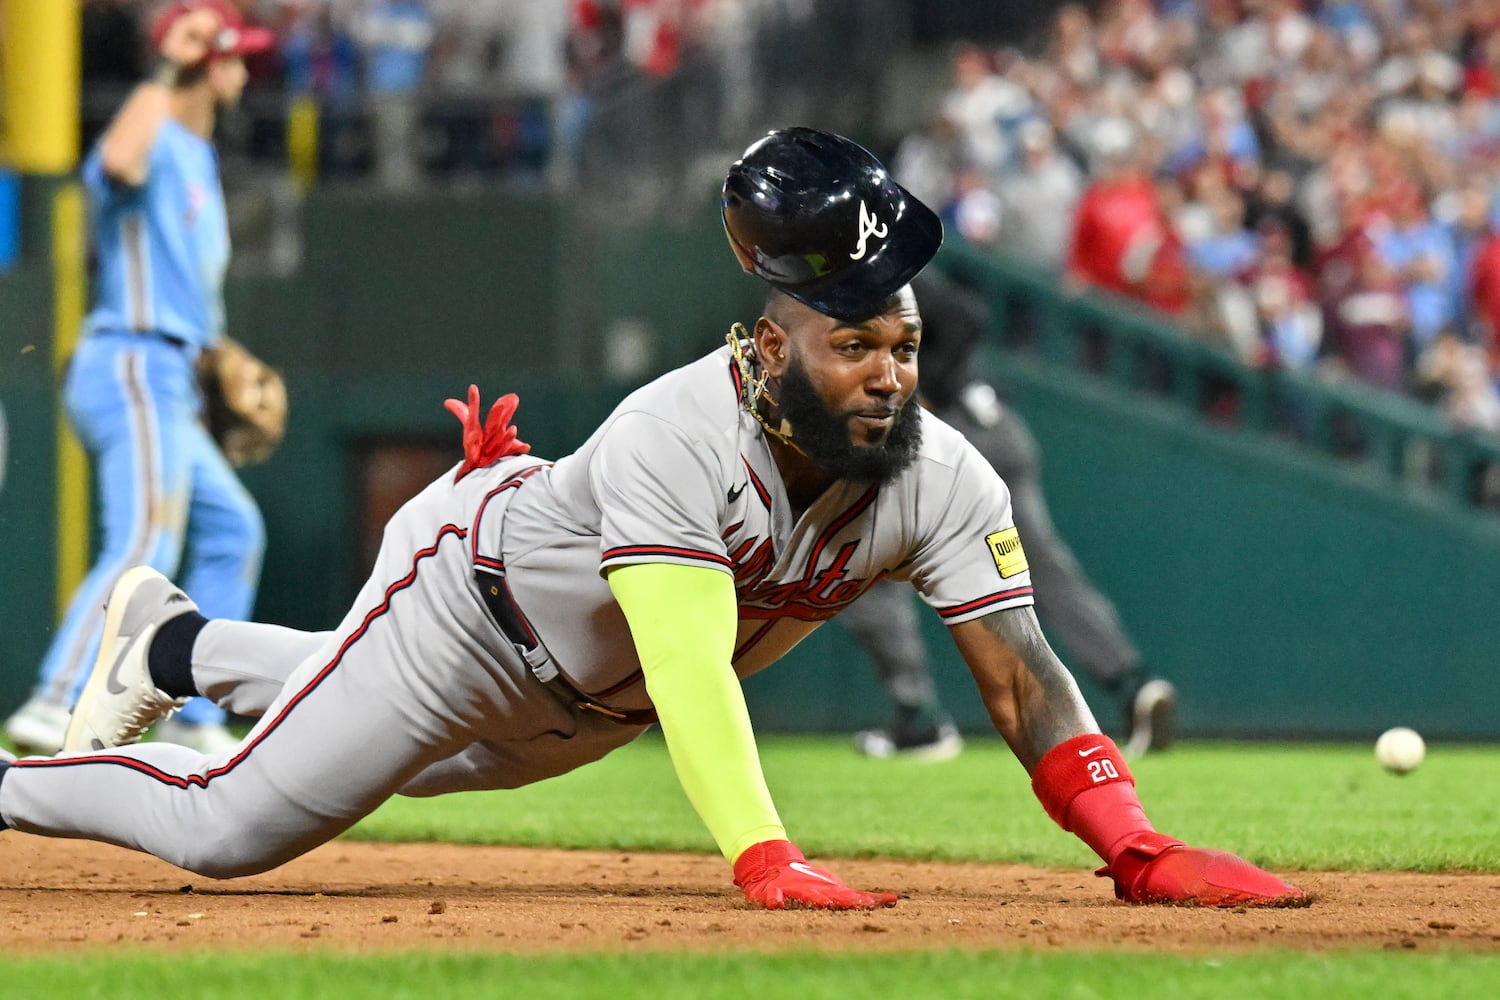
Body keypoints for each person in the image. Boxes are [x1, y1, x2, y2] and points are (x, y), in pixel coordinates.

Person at [0, 128, 1303, 911]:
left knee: (356, 718)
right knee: (230, 825)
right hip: (466, 611)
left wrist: (1133, 842)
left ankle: (172, 645)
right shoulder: (679, 432)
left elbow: (1025, 686)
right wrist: (763, 853)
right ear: (769, 347)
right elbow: (688, 667)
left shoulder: (938, 474)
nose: (890, 370)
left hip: (576, 711)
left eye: (902, 342)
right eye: (856, 342)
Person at [2, 1, 271, 756]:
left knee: (232, 529)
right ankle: (53, 702)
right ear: (203, 63)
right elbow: (115, 163)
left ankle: (194, 715)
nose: (243, 71)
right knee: (145, 538)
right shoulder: (149, 138)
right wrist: (165, 67)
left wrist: (216, 352)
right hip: (131, 360)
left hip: (172, 373)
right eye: (233, 56)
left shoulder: (198, 157)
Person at [845, 268, 1176, 763]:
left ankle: (919, 714)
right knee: (1041, 567)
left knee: (857, 556)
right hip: (995, 428)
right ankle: (1132, 682)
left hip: (953, 436)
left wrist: (927, 388)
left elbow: (963, 315)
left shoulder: (873, 267)